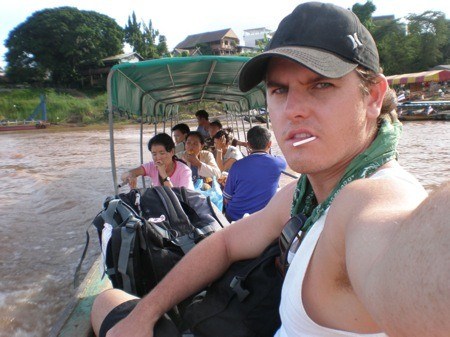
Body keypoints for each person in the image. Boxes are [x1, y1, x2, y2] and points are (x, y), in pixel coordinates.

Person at [92, 3, 450, 337]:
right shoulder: (303, 193)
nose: (293, 109)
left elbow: (409, 266)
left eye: (321, 85)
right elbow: (228, 242)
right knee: (121, 305)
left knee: (107, 301)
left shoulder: (372, 199)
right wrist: (147, 311)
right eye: (279, 90)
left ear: (372, 97)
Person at [223, 125, 286, 222]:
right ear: (269, 144)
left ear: (248, 145)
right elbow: (278, 158)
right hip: (262, 218)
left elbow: (227, 198)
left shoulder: (237, 166)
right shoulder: (278, 164)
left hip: (235, 217)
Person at [121, 133, 194, 190]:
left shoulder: (184, 170)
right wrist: (131, 175)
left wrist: (164, 175)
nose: (158, 158)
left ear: (172, 152)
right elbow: (124, 176)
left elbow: (182, 198)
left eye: (162, 153)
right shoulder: (152, 166)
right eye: (154, 154)